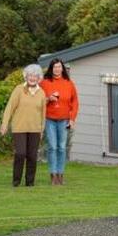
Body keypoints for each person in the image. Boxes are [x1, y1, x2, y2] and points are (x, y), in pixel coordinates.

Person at [0, 64, 47, 187]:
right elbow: (10, 107)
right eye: (30, 75)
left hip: (35, 128)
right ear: (26, 76)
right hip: (19, 127)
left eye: (35, 76)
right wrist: (4, 124)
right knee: (20, 153)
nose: (32, 78)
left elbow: (43, 113)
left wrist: (42, 129)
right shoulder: (18, 89)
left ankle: (30, 182)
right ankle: (16, 181)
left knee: (32, 156)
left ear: (39, 78)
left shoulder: (41, 93)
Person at [40, 58, 79, 186]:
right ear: (51, 69)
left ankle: (60, 174)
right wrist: (48, 99)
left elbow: (75, 102)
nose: (57, 69)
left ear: (62, 68)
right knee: (52, 147)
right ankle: (53, 174)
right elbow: (39, 101)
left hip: (64, 120)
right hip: (50, 119)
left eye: (59, 67)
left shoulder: (69, 83)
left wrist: (72, 119)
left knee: (62, 148)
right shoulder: (45, 83)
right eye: (55, 67)